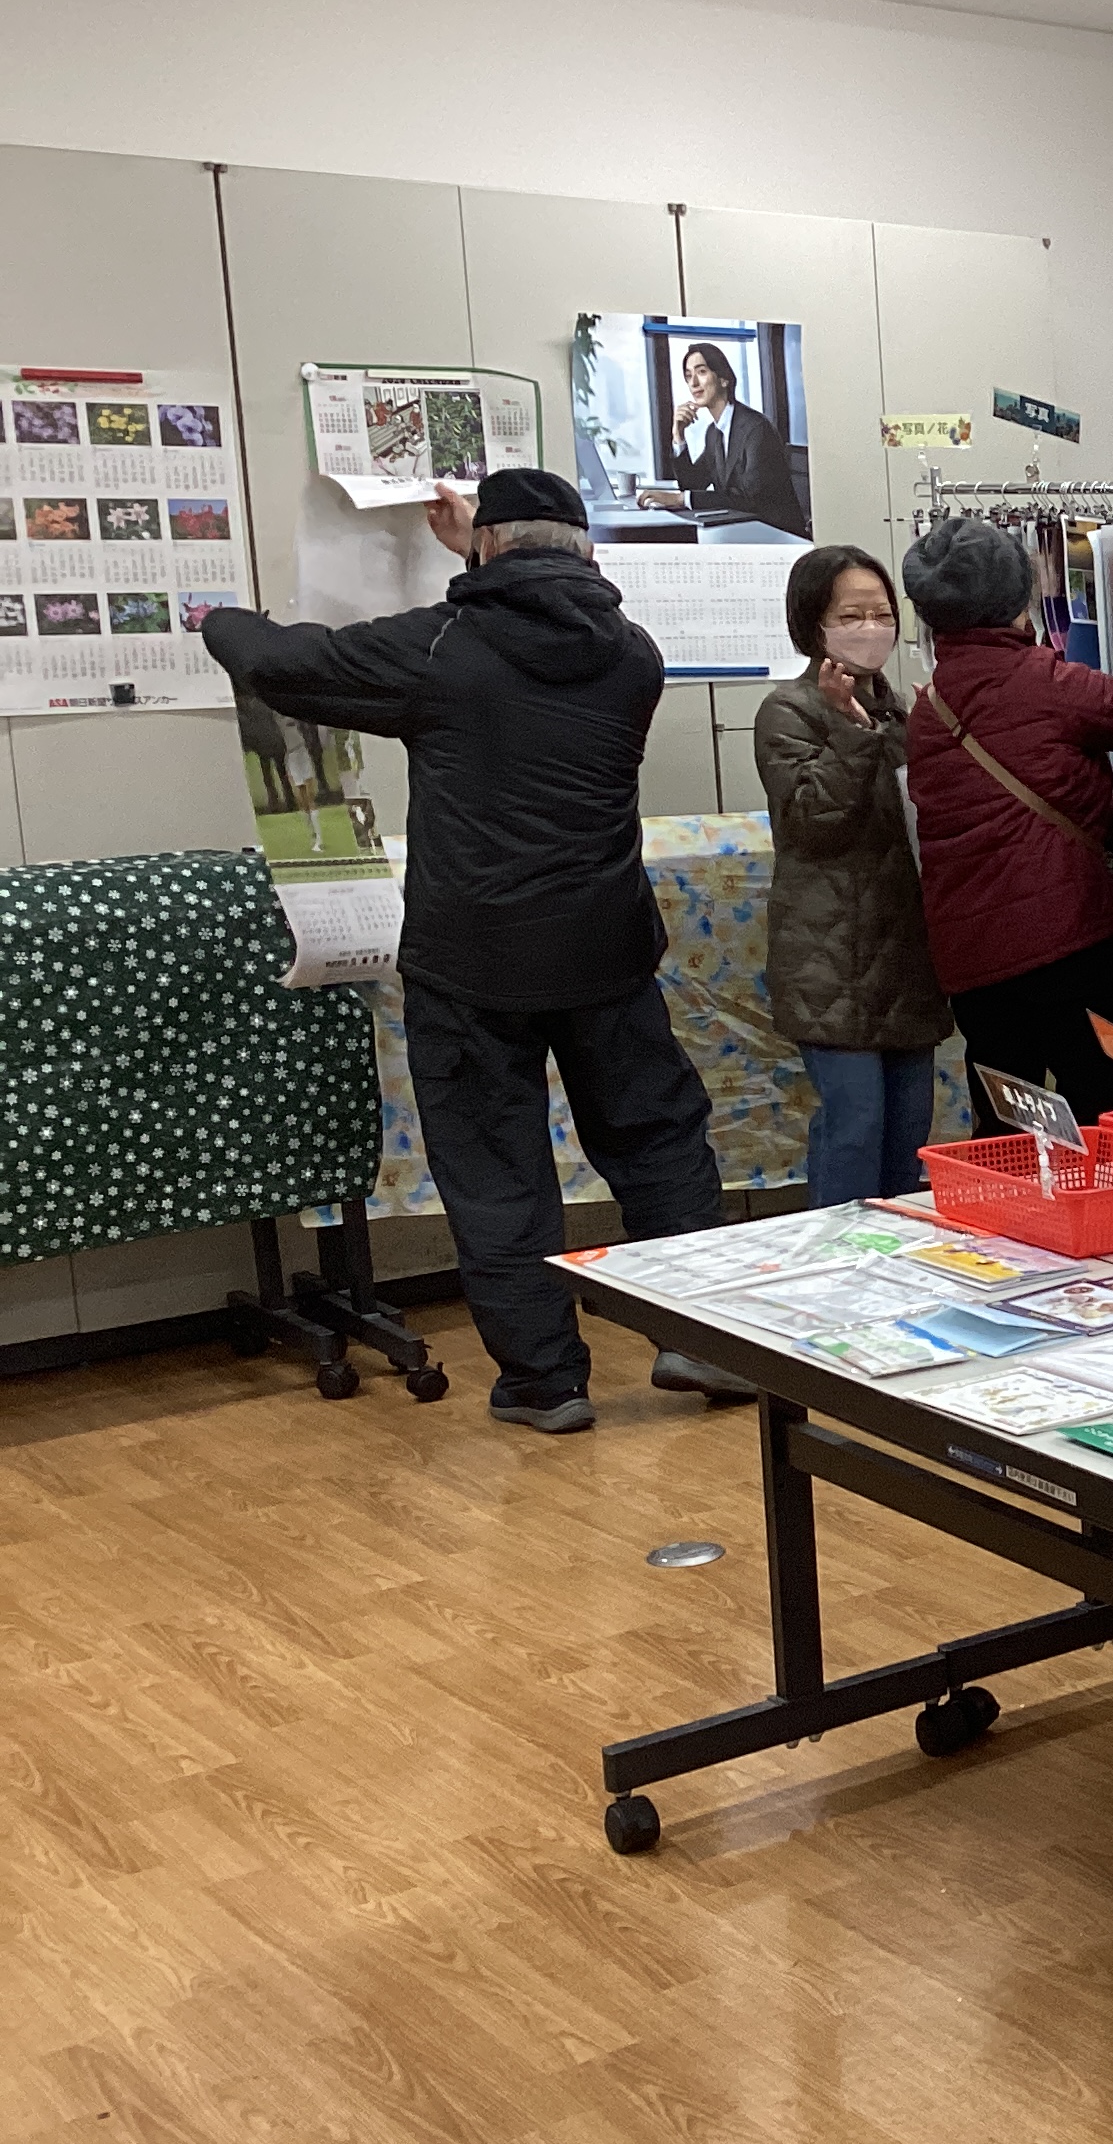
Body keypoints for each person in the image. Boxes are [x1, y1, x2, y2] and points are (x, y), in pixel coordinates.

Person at [201, 470, 748, 1434]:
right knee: (656, 1140)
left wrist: (218, 618)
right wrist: (484, 552)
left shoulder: (441, 648)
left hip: (474, 962)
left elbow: (286, 664)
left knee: (497, 1171)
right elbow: (534, 618)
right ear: (587, 548)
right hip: (606, 947)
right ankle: (700, 1338)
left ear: (489, 544)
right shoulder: (632, 652)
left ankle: (545, 1382)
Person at [900, 515, 1113, 1129]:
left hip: (974, 959)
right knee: (1095, 1110)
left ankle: (1009, 1194)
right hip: (1069, 943)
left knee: (1006, 1123)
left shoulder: (928, 708)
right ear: (1018, 602)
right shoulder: (1046, 684)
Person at [755, 544, 952, 1202]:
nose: (871, 628)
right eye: (851, 616)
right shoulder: (787, 711)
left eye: (882, 614)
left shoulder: (902, 712)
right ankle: (836, 1259)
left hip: (905, 957)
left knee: (909, 1133)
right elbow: (814, 822)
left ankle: (898, 1256)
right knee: (854, 1127)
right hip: (829, 960)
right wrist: (848, 732)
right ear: (813, 624)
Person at [637, 340, 809, 539]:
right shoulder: (714, 432)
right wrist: (679, 436)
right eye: (688, 376)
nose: (693, 383)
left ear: (724, 379)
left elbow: (751, 500)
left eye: (701, 372)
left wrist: (680, 499)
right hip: (745, 531)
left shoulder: (756, 428)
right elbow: (693, 485)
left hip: (779, 535)